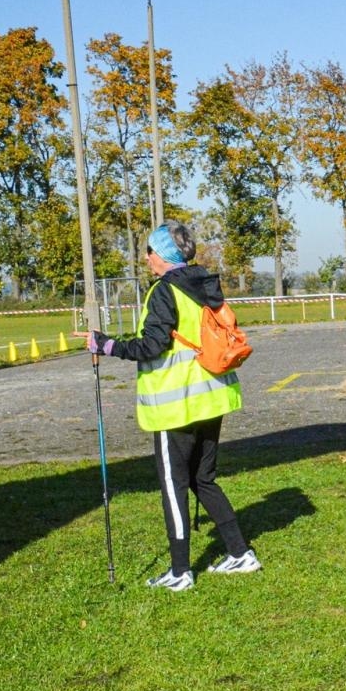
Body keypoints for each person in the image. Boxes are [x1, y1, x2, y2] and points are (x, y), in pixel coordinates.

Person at [85, 222, 259, 591]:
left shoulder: (165, 291)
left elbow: (152, 346)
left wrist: (107, 346)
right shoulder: (204, 285)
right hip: (213, 397)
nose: (146, 258)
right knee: (203, 479)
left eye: (149, 251)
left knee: (174, 485)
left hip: (176, 405)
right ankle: (240, 553)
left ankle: (181, 572)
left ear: (162, 255)